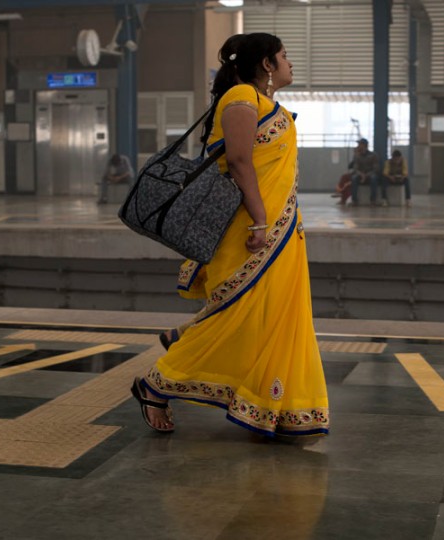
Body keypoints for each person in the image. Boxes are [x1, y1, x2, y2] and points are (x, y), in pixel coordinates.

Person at [129, 33, 330, 439]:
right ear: (268, 65)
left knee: (269, 318)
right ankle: (154, 384)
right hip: (249, 232)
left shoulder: (271, 105)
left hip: (280, 233)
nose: (291, 63)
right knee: (240, 313)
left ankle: (262, 401)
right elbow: (238, 162)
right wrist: (259, 220)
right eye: (285, 56)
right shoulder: (241, 97)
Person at [349, 138, 384, 206]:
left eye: (360, 144)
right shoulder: (357, 156)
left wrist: (366, 175)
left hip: (370, 174)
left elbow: (376, 169)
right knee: (354, 178)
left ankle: (373, 200)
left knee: (373, 178)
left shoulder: (373, 155)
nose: (358, 146)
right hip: (360, 175)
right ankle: (354, 200)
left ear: (365, 145)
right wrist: (361, 175)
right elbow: (355, 168)